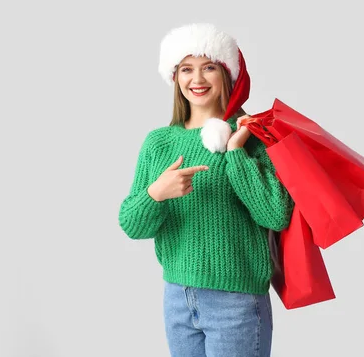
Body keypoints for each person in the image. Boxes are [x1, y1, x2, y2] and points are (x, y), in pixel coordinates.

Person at [118, 23, 294, 357]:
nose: (196, 79)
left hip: (237, 301)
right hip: (178, 298)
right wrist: (157, 192)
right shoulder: (160, 142)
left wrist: (236, 152)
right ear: (175, 77)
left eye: (208, 67)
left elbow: (275, 213)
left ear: (227, 74)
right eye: (186, 69)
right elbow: (131, 224)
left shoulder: (252, 135)